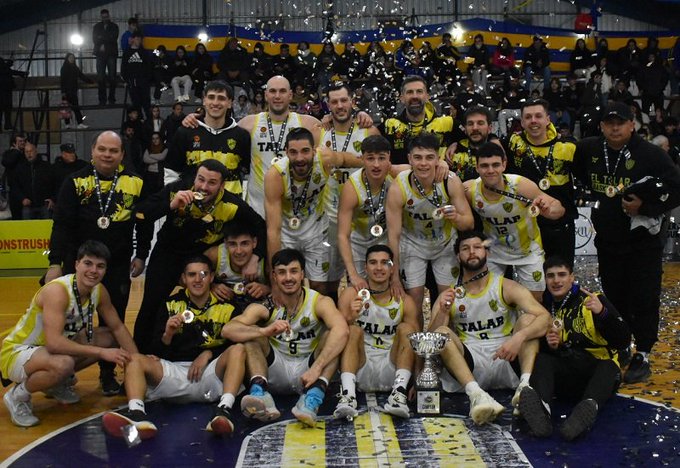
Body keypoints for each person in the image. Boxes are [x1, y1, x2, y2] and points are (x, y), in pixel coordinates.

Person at [572, 101, 680, 383]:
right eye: (609, 123)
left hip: (643, 242)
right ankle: (621, 345)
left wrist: (646, 207)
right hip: (608, 240)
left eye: (620, 122)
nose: (615, 128)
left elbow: (676, 189)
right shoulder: (588, 149)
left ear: (632, 124)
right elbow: (580, 173)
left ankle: (643, 352)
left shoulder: (652, 154)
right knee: (614, 296)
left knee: (644, 297)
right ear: (601, 126)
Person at [46, 131, 151, 394]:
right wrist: (55, 263)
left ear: (122, 154)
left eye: (113, 150)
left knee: (112, 321)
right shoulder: (75, 181)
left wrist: (141, 254)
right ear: (92, 151)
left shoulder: (136, 182)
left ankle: (107, 374)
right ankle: (61, 374)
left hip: (116, 266)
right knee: (70, 324)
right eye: (102, 149)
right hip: (77, 264)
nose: (107, 155)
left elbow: (144, 222)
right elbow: (61, 225)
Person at [102, 255, 245, 439]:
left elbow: (237, 344)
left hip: (211, 374)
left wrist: (208, 353)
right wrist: (168, 334)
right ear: (184, 278)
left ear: (211, 277)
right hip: (175, 374)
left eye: (203, 274)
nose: (198, 279)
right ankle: (137, 414)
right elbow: (156, 351)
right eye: (191, 275)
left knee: (238, 350)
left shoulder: (229, 307)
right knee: (134, 359)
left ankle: (223, 410)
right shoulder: (170, 304)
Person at [133, 159, 266, 353]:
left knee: (207, 307)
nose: (203, 187)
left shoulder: (232, 204)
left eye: (212, 183)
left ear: (222, 185)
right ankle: (140, 357)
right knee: (151, 305)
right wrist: (170, 205)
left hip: (200, 259)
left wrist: (256, 257)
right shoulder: (177, 189)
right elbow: (141, 214)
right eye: (200, 179)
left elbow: (261, 227)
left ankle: (202, 353)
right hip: (167, 254)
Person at [1, 241, 138, 427]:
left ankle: (54, 383)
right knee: (63, 364)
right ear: (76, 264)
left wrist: (138, 361)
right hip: (18, 352)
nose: (93, 270)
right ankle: (17, 396)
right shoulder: (58, 291)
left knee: (110, 338)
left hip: (51, 351)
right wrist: (101, 353)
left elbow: (118, 328)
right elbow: (54, 344)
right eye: (88, 263)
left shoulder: (98, 290)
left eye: (100, 266)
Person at [429, 231, 551, 424]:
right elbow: (430, 341)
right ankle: (476, 396)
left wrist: (519, 337)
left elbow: (546, 317)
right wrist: (443, 311)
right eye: (465, 248)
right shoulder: (450, 294)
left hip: (506, 356)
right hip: (471, 364)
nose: (472, 252)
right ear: (458, 256)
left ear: (487, 252)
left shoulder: (506, 286)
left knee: (530, 319)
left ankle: (524, 388)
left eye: (477, 247)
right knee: (441, 333)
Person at [221, 248, 349, 427]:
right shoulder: (267, 305)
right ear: (274, 276)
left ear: (302, 274)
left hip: (309, 371)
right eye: (282, 272)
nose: (288, 278)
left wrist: (316, 368)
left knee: (333, 336)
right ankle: (260, 393)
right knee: (251, 334)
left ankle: (313, 398)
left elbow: (342, 331)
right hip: (275, 370)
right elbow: (228, 330)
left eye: (293, 271)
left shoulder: (319, 302)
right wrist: (264, 331)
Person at [519, 256, 631, 440]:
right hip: (569, 375)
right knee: (542, 359)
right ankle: (542, 412)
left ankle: (585, 411)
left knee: (609, 366)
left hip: (598, 374)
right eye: (551, 276)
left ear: (572, 277)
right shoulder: (544, 307)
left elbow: (624, 340)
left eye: (562, 275)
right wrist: (553, 346)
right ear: (545, 279)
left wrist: (602, 313)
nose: (556, 281)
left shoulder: (594, 300)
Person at [264, 127, 361, 296]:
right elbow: (273, 230)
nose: (299, 158)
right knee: (289, 285)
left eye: (305, 151)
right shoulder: (275, 175)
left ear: (314, 150)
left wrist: (368, 163)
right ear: (286, 152)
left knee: (319, 286)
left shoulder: (324, 159)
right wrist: (274, 281)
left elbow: (345, 159)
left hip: (317, 231)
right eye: (293, 152)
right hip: (287, 233)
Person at [463, 142, 565, 301]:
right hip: (494, 250)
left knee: (534, 301)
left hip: (528, 250)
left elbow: (559, 208)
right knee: (488, 299)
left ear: (504, 165)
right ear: (476, 167)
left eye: (495, 165)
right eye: (484, 166)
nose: (490, 170)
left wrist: (549, 210)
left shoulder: (520, 185)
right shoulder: (470, 190)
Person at [386, 132, 474, 315]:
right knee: (413, 301)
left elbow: (469, 224)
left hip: (445, 244)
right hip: (412, 244)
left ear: (438, 159)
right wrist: (394, 276)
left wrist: (456, 217)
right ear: (409, 159)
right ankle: (416, 334)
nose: (423, 163)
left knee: (448, 301)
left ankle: (443, 333)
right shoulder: (399, 186)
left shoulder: (450, 181)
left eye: (429, 157)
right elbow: (393, 235)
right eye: (418, 157)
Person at [334, 245, 419, 419]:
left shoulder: (404, 300)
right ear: (365, 267)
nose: (379, 268)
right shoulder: (350, 294)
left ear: (392, 268)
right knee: (351, 330)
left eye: (384, 263)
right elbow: (334, 336)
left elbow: (417, 342)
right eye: (373, 263)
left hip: (392, 368)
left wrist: (418, 381)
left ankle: (399, 395)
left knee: (407, 329)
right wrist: (350, 317)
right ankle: (348, 396)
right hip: (360, 367)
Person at [321, 83, 381, 302]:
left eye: (343, 100)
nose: (339, 106)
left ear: (352, 102)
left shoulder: (368, 131)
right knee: (329, 281)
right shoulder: (320, 132)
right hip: (330, 217)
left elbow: (383, 165)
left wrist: (343, 159)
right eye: (334, 102)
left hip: (364, 217)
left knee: (365, 278)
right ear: (328, 105)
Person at [238, 75, 323, 218]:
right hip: (257, 209)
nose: (277, 96)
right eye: (273, 91)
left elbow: (339, 133)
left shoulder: (309, 124)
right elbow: (221, 130)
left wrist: (359, 116)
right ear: (266, 95)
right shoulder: (248, 124)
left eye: (282, 91)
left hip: (293, 210)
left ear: (290, 95)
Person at [507, 99, 577, 266]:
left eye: (538, 116)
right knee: (531, 278)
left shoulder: (568, 146)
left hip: (560, 225)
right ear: (522, 122)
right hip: (526, 225)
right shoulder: (513, 143)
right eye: (528, 117)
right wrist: (455, 144)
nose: (533, 121)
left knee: (560, 274)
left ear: (547, 119)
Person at [164, 80, 250, 196]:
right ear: (204, 100)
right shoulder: (185, 132)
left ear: (230, 103)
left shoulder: (242, 135)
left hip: (231, 205)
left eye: (221, 98)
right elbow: (171, 171)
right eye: (211, 97)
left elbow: (250, 173)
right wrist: (174, 198)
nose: (215, 102)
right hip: (192, 204)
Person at [337, 135, 394, 288]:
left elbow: (423, 167)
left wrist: (441, 163)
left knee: (389, 287)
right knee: (359, 289)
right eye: (370, 158)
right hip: (358, 243)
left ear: (389, 158)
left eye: (381, 158)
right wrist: (353, 274)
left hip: (386, 239)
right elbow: (342, 235)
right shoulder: (352, 188)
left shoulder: (395, 175)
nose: (376, 165)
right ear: (362, 159)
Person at [382, 75, 458, 165]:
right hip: (401, 174)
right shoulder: (390, 125)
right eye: (410, 92)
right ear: (401, 98)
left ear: (427, 96)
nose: (415, 96)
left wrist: (456, 145)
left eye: (419, 91)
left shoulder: (447, 123)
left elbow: (471, 138)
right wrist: (364, 115)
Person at [204, 223, 269, 310]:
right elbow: (192, 277)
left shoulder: (267, 262)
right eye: (233, 244)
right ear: (225, 243)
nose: (239, 251)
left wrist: (267, 289)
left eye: (244, 243)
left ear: (254, 242)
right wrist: (211, 286)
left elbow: (282, 287)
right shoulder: (214, 255)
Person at [445, 106, 502, 182]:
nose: (475, 128)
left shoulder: (500, 150)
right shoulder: (452, 153)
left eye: (480, 123)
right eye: (470, 124)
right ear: (465, 129)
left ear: (490, 128)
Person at [14, 142, 54, 219]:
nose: (29, 154)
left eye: (31, 151)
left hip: (44, 204)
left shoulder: (46, 166)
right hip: (28, 205)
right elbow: (15, 186)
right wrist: (22, 198)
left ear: (36, 151)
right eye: (26, 152)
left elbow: (54, 184)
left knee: (46, 225)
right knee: (27, 226)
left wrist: (52, 199)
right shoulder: (20, 168)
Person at [121, 31, 152, 121]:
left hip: (143, 82)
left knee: (146, 104)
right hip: (132, 83)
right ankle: (140, 122)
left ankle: (150, 122)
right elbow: (123, 68)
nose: (139, 41)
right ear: (133, 39)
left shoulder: (144, 52)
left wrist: (147, 79)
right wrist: (126, 80)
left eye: (140, 39)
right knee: (136, 105)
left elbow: (149, 67)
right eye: (137, 39)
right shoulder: (127, 52)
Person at [92, 9, 119, 105]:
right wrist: (106, 40)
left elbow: (114, 37)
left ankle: (111, 99)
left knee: (112, 77)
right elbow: (95, 39)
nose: (105, 18)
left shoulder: (114, 26)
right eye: (103, 17)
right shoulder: (97, 27)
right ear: (101, 17)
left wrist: (102, 42)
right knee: (100, 77)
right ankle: (102, 100)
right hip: (102, 54)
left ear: (109, 16)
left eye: (106, 17)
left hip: (110, 54)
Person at [60, 53, 93, 129]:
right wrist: (63, 92)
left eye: (73, 58)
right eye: (70, 58)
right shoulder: (64, 68)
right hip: (67, 91)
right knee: (67, 108)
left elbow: (81, 76)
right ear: (67, 59)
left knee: (75, 108)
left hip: (72, 91)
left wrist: (90, 81)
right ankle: (68, 124)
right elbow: (62, 81)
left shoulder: (75, 68)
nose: (72, 59)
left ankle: (78, 123)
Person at [1, 132, 26, 219]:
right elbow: (7, 162)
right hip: (14, 189)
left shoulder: (25, 153)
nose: (23, 143)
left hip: (25, 188)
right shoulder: (11, 154)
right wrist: (16, 151)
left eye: (23, 141)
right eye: (20, 141)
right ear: (14, 143)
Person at [141, 131, 167, 198]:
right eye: (153, 139)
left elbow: (162, 157)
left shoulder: (164, 148)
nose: (155, 140)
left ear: (160, 139)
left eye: (157, 138)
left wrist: (151, 155)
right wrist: (157, 160)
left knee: (159, 192)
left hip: (160, 174)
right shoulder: (149, 148)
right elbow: (145, 159)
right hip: (149, 174)